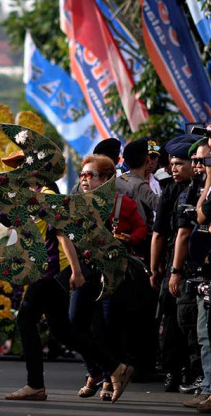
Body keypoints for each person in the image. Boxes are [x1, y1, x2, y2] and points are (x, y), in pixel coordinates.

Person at [0, 152, 133, 403]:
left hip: (50, 271)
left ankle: (35, 385)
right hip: (45, 271)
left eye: (20, 167)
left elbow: (62, 235)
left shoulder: (47, 198)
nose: (15, 172)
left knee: (25, 320)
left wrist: (76, 271)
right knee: (64, 332)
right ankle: (114, 367)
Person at [71, 154, 146, 401]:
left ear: (105, 179)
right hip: (85, 270)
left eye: (89, 175)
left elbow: (141, 229)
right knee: (76, 321)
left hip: (112, 272)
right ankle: (96, 371)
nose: (84, 180)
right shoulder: (76, 203)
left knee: (107, 325)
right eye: (82, 175)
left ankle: (104, 379)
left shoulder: (122, 204)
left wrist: (127, 238)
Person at [150, 134, 200, 392]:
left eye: (180, 163)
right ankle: (172, 371)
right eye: (171, 163)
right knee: (171, 320)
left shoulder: (199, 189)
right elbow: (159, 233)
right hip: (173, 261)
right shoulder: (170, 190)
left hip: (190, 264)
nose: (173, 168)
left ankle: (193, 374)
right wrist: (156, 268)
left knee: (190, 323)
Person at [183, 137, 211, 409]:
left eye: (203, 161)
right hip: (203, 271)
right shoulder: (200, 187)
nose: (198, 167)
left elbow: (202, 216)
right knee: (203, 333)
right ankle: (207, 389)